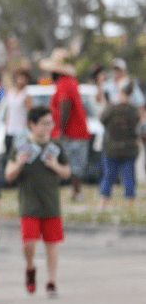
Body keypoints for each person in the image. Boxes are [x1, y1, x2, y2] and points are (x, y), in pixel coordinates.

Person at [5, 107, 69, 297]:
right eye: (44, 123)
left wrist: (55, 166)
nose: (48, 127)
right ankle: (30, 268)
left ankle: (51, 280)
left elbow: (67, 172)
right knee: (29, 244)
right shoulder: (21, 147)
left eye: (51, 123)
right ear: (32, 125)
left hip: (51, 204)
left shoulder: (56, 147)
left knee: (52, 244)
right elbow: (8, 175)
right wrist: (19, 163)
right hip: (29, 204)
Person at [38, 48, 89, 204]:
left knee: (63, 163)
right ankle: (75, 192)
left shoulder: (64, 83)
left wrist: (60, 129)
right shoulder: (70, 82)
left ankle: (72, 192)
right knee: (72, 165)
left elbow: (65, 105)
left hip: (69, 132)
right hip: (75, 132)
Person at [97, 79, 140, 211]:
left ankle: (102, 204)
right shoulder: (134, 110)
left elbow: (102, 120)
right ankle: (129, 206)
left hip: (112, 149)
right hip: (129, 150)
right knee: (129, 178)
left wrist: (106, 105)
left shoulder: (112, 108)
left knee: (108, 177)